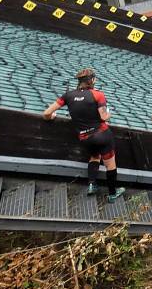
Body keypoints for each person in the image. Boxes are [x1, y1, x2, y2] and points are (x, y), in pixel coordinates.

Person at [43, 68, 125, 203]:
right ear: (92, 80)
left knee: (94, 156)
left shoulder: (67, 95)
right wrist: (110, 113)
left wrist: (51, 117)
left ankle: (92, 185)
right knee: (110, 165)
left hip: (85, 138)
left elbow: (46, 113)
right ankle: (112, 194)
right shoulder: (98, 95)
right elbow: (104, 116)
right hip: (102, 135)